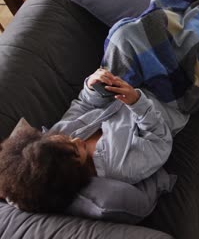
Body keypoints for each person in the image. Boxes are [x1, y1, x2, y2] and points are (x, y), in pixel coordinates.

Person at [0, 68, 189, 213]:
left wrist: (92, 87)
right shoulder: (121, 166)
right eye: (76, 150)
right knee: (131, 35)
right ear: (73, 173)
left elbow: (83, 104)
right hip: (165, 99)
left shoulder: (55, 138)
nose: (78, 140)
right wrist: (136, 102)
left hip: (129, 81)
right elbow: (160, 140)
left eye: (67, 138)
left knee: (124, 37)